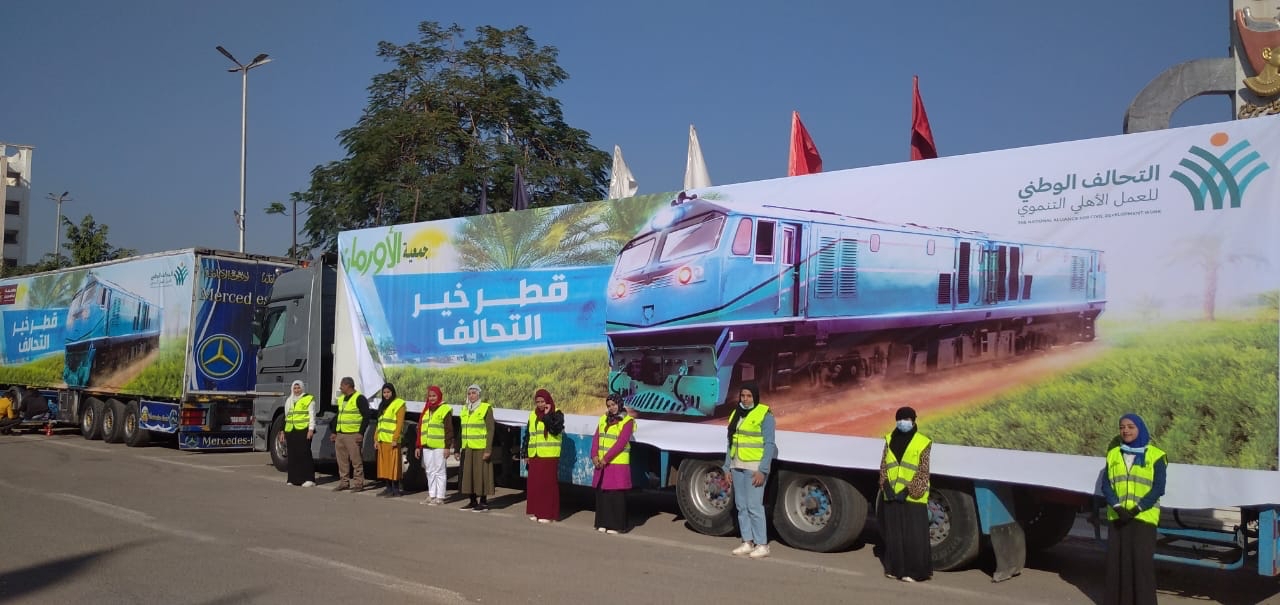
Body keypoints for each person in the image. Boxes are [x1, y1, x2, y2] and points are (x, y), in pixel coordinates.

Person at [1101, 413, 1167, 605]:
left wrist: (1137, 508)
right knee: (1117, 564)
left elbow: (1158, 488)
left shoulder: (1156, 455)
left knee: (1141, 565)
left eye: (1131, 427)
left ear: (1140, 428)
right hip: (1118, 517)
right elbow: (1106, 485)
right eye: (1122, 427)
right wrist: (1117, 507)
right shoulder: (1114, 454)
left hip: (1143, 518)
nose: (1126, 431)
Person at [878, 406, 932, 582]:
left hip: (913, 496)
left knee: (913, 536)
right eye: (900, 419)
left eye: (907, 419)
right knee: (894, 535)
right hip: (892, 494)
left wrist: (908, 490)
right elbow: (884, 465)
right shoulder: (889, 439)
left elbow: (923, 471)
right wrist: (885, 485)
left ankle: (915, 572)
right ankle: (895, 569)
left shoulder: (922, 442)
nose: (903, 422)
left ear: (914, 421)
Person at [724, 383, 777, 559]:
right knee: (741, 506)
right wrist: (727, 466)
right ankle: (747, 541)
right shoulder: (736, 413)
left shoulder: (765, 415)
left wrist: (763, 470)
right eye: (743, 395)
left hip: (754, 468)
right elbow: (730, 443)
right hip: (737, 465)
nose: (745, 399)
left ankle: (762, 544)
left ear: (755, 396)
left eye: (749, 396)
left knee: (754, 506)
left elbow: (769, 444)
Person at [592, 393, 634, 534]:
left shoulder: (627, 421)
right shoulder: (603, 419)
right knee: (602, 494)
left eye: (614, 405)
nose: (612, 408)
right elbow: (596, 438)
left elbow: (621, 443)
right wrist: (594, 456)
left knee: (615, 495)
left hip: (616, 463)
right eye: (609, 405)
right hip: (602, 463)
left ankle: (616, 525)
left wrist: (606, 459)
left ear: (619, 404)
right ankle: (602, 523)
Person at [522, 388, 565, 523]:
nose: (540, 404)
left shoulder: (557, 414)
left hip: (549, 455)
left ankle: (547, 514)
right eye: (538, 402)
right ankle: (537, 511)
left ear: (548, 401)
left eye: (543, 401)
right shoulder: (532, 415)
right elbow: (528, 435)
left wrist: (546, 415)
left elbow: (555, 430)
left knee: (547, 485)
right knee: (535, 485)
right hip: (535, 455)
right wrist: (525, 453)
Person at [415, 385, 455, 505]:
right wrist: (418, 446)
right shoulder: (426, 410)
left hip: (439, 446)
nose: (432, 398)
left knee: (440, 471)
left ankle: (440, 497)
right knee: (429, 471)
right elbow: (420, 428)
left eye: (434, 396)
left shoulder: (445, 409)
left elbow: (449, 430)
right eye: (430, 396)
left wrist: (447, 447)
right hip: (427, 446)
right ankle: (432, 495)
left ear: (439, 396)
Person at [330, 377, 371, 492]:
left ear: (348, 385)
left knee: (356, 460)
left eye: (342, 385)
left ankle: (358, 483)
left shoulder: (359, 398)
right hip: (341, 434)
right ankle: (344, 482)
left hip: (353, 435)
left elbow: (366, 416)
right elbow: (339, 416)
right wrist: (334, 431)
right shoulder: (342, 399)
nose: (340, 388)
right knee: (342, 460)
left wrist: (361, 433)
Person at [458, 384, 495, 511]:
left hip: (481, 447)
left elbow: (490, 429)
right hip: (468, 447)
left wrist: (488, 449)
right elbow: (462, 429)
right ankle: (472, 501)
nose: (471, 396)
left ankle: (483, 502)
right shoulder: (465, 409)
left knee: (482, 474)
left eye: (474, 393)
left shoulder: (485, 408)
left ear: (479, 394)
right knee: (469, 475)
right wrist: (458, 448)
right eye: (469, 393)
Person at [374, 382, 407, 497]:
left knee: (394, 466)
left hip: (392, 441)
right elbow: (379, 423)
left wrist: (395, 438)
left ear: (392, 392)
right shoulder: (382, 405)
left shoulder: (399, 404)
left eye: (388, 392)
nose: (386, 394)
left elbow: (399, 423)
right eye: (384, 392)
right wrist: (376, 439)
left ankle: (395, 489)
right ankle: (388, 488)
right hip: (382, 440)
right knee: (384, 466)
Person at [282, 380, 317, 487]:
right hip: (291, 430)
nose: (297, 390)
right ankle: (293, 479)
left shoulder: (309, 399)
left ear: (302, 388)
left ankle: (309, 479)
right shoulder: (289, 400)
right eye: (295, 388)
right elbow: (286, 416)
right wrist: (283, 431)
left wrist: (311, 429)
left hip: (304, 430)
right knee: (292, 455)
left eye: (299, 388)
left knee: (304, 454)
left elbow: (312, 415)